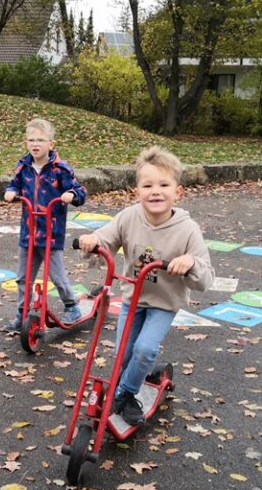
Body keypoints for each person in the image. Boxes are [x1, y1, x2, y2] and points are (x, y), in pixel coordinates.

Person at [79, 146, 214, 425]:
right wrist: (93, 242)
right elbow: (105, 238)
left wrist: (189, 262)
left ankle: (126, 394)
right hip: (133, 299)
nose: (155, 191)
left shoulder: (187, 229)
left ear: (178, 192)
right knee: (124, 353)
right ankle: (127, 382)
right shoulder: (129, 217)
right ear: (137, 191)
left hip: (163, 303)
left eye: (164, 185)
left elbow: (206, 277)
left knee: (144, 350)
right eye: (148, 185)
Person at [4, 118, 87, 332]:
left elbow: (80, 191)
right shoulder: (23, 167)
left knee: (57, 276)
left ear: (51, 144)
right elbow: (13, 184)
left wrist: (70, 194)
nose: (35, 144)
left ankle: (72, 306)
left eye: (40, 139)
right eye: (31, 139)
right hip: (29, 234)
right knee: (23, 279)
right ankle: (22, 314)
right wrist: (11, 192)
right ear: (26, 142)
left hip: (51, 234)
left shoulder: (60, 169)